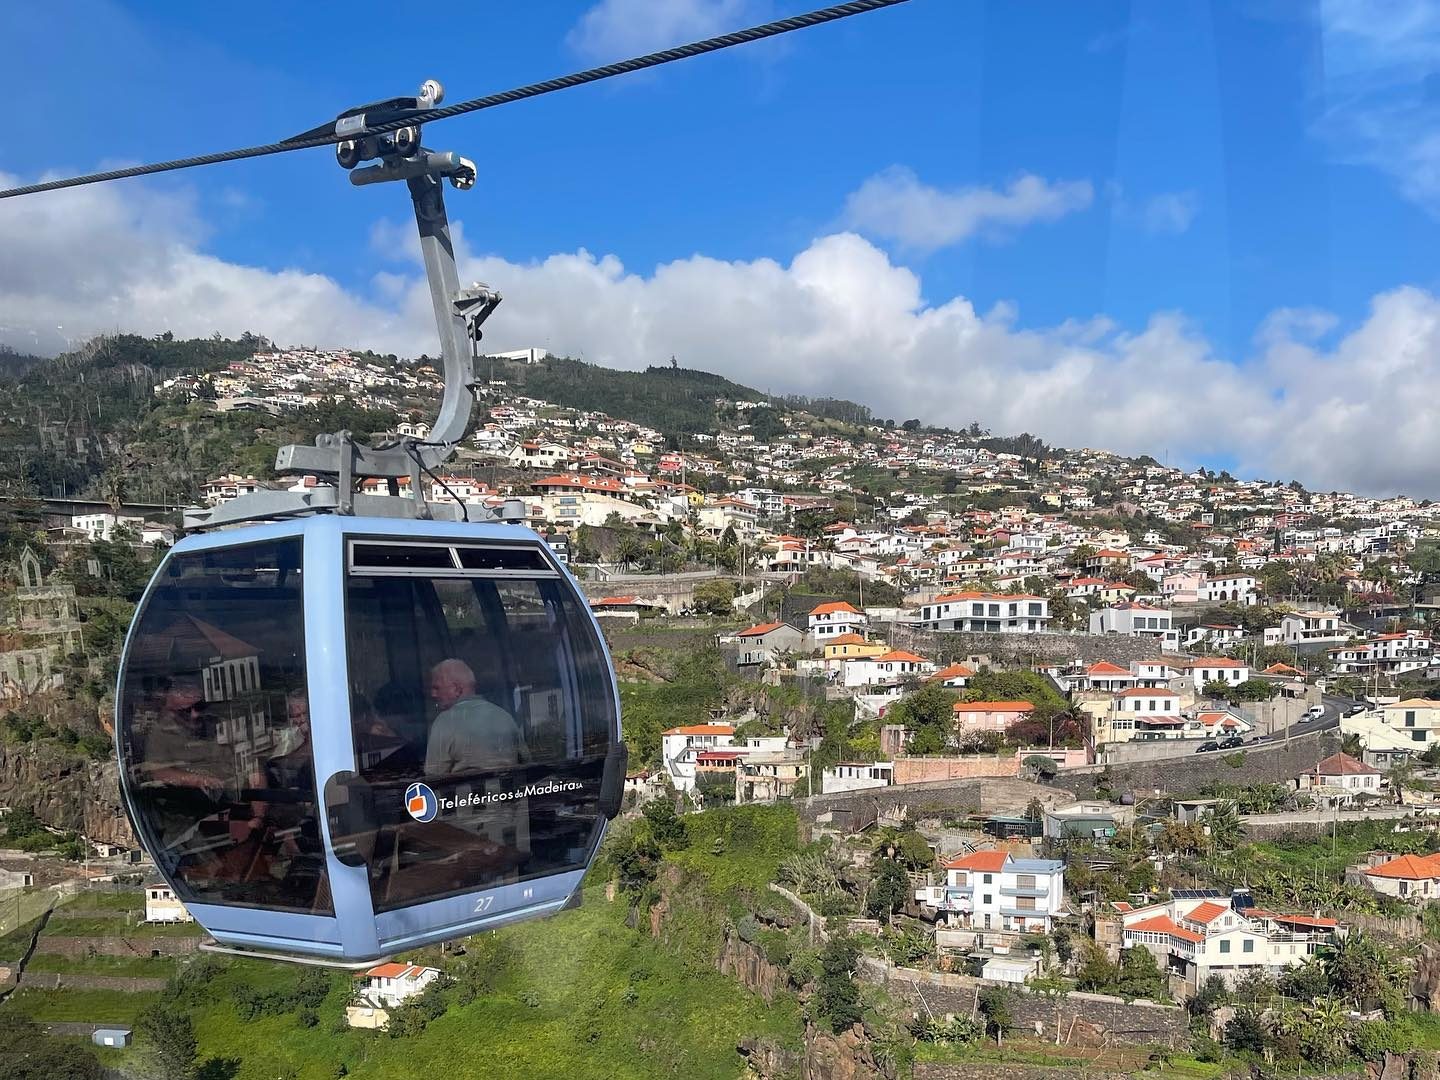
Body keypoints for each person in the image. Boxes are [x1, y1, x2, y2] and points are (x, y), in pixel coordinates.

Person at [425, 658, 529, 776]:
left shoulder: (444, 722)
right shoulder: (505, 716)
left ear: (456, 689)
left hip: (466, 794)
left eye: (437, 688)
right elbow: (526, 761)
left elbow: (433, 776)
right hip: (509, 793)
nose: (433, 694)